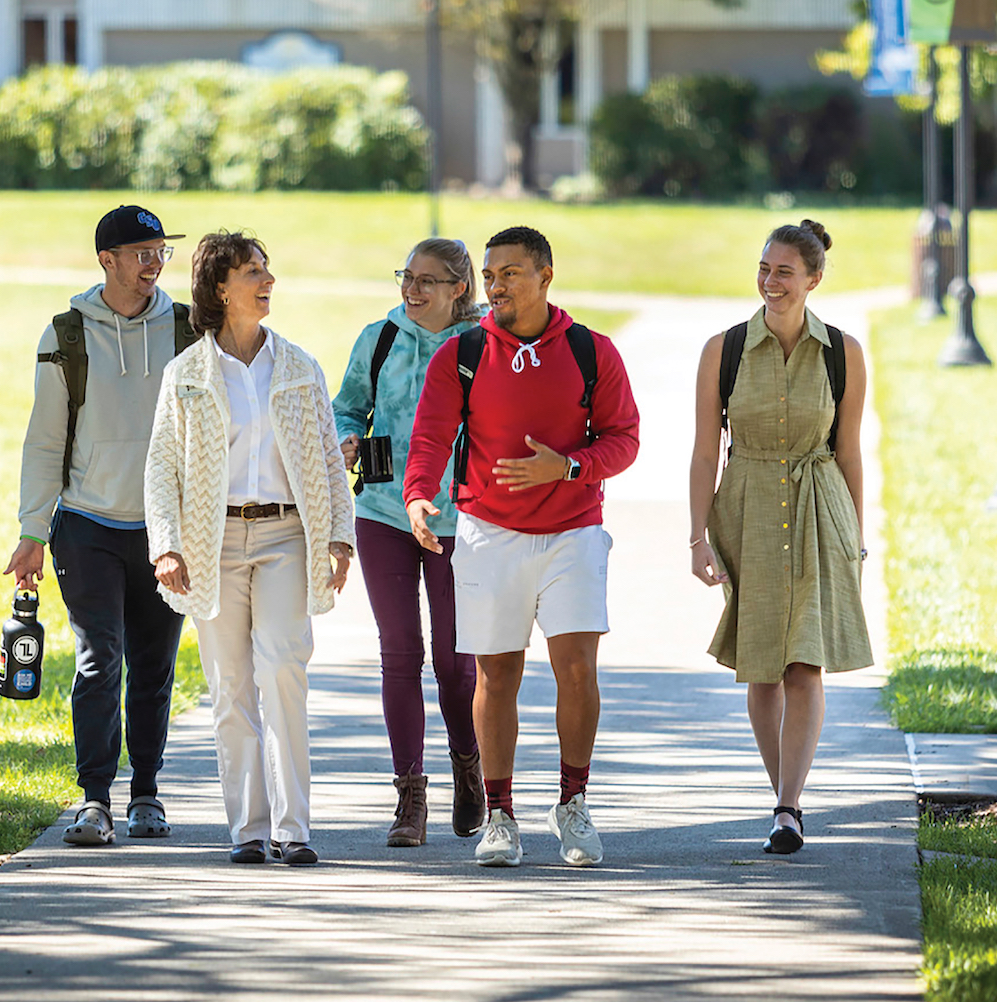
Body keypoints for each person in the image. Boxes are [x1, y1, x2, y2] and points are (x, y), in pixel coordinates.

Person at [404, 225, 640, 868]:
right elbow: (428, 437)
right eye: (490, 273)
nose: (496, 284)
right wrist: (419, 495)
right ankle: (500, 816)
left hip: (573, 534)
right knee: (496, 675)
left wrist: (566, 467)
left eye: (510, 272)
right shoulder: (464, 353)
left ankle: (573, 803)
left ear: (545, 276)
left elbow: (624, 440)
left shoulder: (593, 351)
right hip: (490, 535)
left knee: (576, 670)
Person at [145, 230, 354, 867]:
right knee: (231, 684)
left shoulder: (298, 367)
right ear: (219, 288)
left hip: (287, 534)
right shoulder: (187, 374)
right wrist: (167, 546)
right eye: (253, 272)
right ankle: (248, 830)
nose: (267, 281)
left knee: (284, 668)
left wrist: (339, 535)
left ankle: (294, 830)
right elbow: (161, 469)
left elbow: (324, 457)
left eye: (268, 270)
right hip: (213, 543)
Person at [4, 204, 189, 847]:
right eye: (141, 252)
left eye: (161, 250)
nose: (154, 263)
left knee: (154, 662)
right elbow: (44, 438)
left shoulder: (191, 330)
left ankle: (146, 794)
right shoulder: (67, 333)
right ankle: (94, 799)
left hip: (167, 529)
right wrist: (33, 528)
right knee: (97, 658)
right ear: (106, 261)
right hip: (85, 524)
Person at [688, 219, 872, 855]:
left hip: (822, 508)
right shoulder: (725, 349)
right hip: (747, 509)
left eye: (784, 271)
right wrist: (696, 538)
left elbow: (848, 452)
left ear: (813, 279)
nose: (770, 281)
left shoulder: (844, 353)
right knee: (762, 665)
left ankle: (789, 805)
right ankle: (783, 799)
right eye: (764, 268)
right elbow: (703, 452)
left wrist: (857, 537)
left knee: (804, 660)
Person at [332, 238, 486, 848]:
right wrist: (346, 438)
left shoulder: (482, 344)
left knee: (454, 660)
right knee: (399, 652)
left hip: (460, 518)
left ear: (459, 289)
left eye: (427, 281)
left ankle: (469, 768)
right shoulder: (381, 338)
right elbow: (348, 409)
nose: (412, 291)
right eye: (406, 277)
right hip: (382, 510)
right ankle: (410, 798)